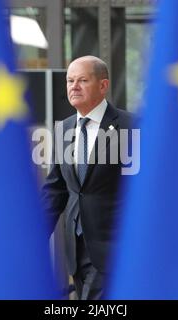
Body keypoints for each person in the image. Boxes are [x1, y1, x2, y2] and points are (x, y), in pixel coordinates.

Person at [42, 55, 136, 300]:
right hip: (76, 250)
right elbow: (56, 189)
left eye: (82, 80)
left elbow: (140, 189)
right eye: (70, 80)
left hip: (113, 246)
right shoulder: (63, 128)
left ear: (103, 86)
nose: (74, 86)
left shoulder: (130, 126)